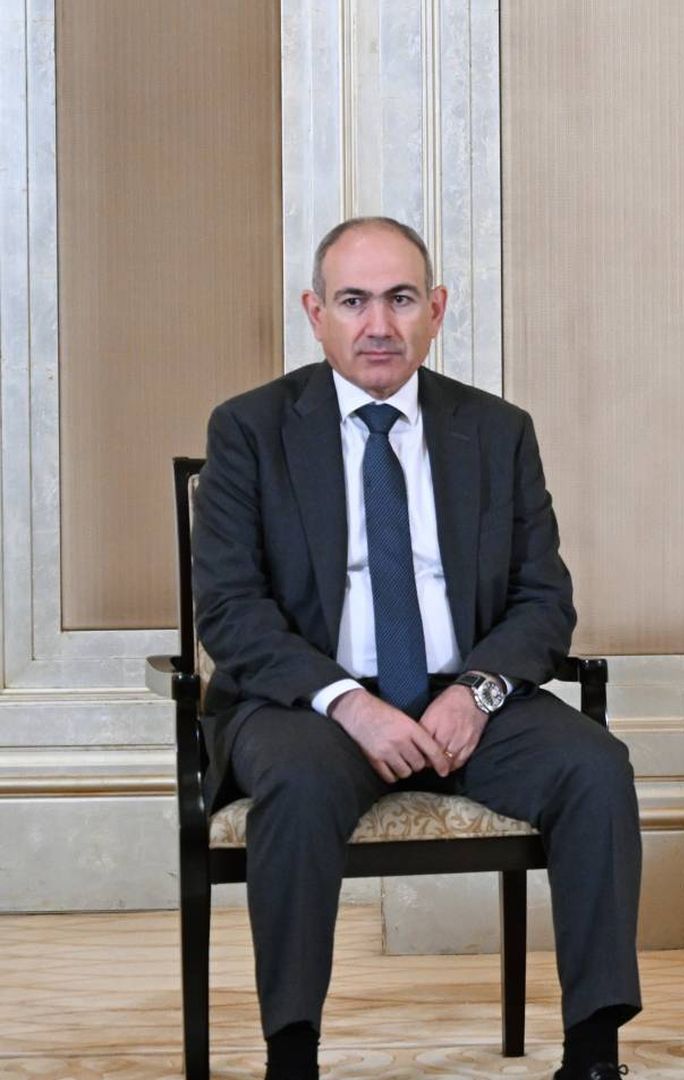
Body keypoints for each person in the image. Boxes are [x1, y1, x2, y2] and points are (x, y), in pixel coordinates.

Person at [193, 217, 642, 1080]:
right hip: (309, 705)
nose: (378, 325)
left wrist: (476, 692)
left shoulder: (497, 431)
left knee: (595, 767)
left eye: (400, 300)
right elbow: (232, 611)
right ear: (314, 313)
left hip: (463, 698)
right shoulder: (250, 429)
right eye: (353, 302)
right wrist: (349, 704)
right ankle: (293, 1055)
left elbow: (544, 599)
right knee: (298, 782)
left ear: (435, 310)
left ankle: (592, 1054)